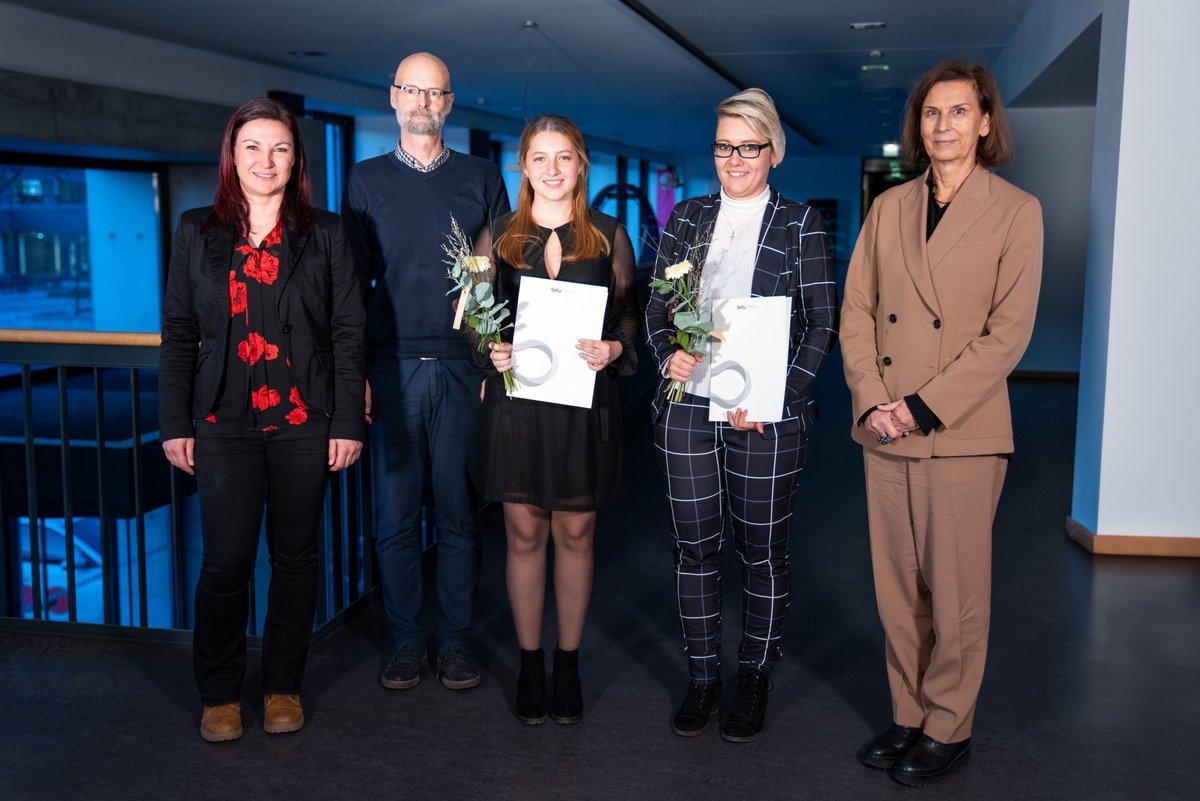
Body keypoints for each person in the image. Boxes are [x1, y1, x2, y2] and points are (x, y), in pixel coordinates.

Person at [841, 60, 1042, 786]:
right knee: (897, 587)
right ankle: (908, 712)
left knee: (953, 590)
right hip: (884, 426)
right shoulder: (888, 206)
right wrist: (871, 397)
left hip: (958, 428)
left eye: (959, 112)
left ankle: (949, 724)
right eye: (931, 113)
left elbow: (1007, 333)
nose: (943, 126)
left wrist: (920, 405)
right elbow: (856, 310)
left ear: (986, 123)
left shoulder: (1017, 212)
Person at [159, 97, 366, 742]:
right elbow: (178, 331)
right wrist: (175, 422)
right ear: (232, 155)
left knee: (297, 558)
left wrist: (349, 424)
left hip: (307, 419)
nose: (266, 160)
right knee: (225, 563)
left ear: (296, 157)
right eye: (252, 147)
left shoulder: (326, 233)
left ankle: (282, 685)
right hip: (222, 421)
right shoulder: (198, 230)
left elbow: (349, 330)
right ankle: (219, 693)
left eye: (279, 147)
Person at [646, 88, 836, 742]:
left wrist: (777, 396)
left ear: (773, 151)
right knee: (695, 548)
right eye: (724, 145)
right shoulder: (686, 217)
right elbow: (656, 309)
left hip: (766, 416)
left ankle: (753, 674)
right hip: (688, 410)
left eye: (748, 146)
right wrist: (666, 349)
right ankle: (703, 675)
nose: (734, 158)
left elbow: (820, 324)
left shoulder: (800, 222)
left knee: (762, 552)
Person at [342, 52, 510, 692]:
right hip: (390, 365)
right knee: (394, 516)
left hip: (465, 368)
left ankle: (457, 641)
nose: (423, 102)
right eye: (412, 90)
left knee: (459, 515)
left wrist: (498, 356)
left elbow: (502, 277)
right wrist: (352, 370)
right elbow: (351, 285)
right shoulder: (364, 179)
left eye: (435, 93)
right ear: (394, 97)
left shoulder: (481, 176)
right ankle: (409, 640)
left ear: (449, 102)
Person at [475, 115, 637, 725]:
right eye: (539, 158)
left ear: (580, 165)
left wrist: (617, 350)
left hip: (582, 408)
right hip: (518, 409)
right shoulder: (496, 237)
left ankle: (568, 663)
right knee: (522, 536)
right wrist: (490, 350)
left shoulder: (608, 235)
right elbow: (475, 321)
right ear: (522, 167)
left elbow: (628, 318)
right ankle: (529, 662)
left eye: (563, 157)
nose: (551, 169)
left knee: (575, 534)